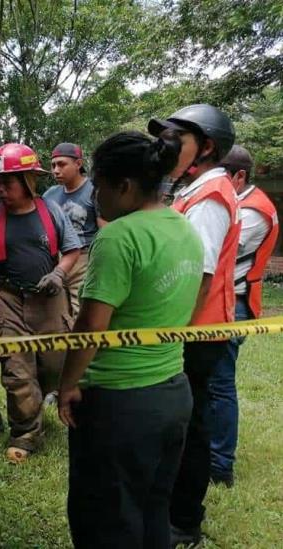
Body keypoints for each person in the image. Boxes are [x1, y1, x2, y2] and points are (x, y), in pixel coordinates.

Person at [57, 131, 203, 548]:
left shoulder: (119, 238)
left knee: (104, 521)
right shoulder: (184, 229)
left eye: (99, 186)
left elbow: (90, 327)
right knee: (153, 508)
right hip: (173, 394)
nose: (94, 197)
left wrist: (67, 386)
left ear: (123, 186)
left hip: (119, 405)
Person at [147, 103, 240, 547]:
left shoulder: (211, 195)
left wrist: (174, 330)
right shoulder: (193, 190)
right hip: (189, 326)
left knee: (191, 425)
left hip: (196, 329)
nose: (166, 147)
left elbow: (200, 275)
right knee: (181, 421)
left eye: (175, 140)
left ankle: (184, 518)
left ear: (205, 147)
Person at [0, 143, 80, 463]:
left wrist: (59, 274)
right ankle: (25, 432)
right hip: (9, 299)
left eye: (8, 181)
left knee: (54, 365)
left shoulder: (52, 212)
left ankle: (40, 402)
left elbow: (72, 251)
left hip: (50, 300)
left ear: (29, 180)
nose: (1, 188)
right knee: (17, 369)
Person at [208, 145, 279, 487]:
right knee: (206, 380)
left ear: (239, 176)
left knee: (220, 385)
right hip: (218, 300)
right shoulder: (235, 202)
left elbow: (216, 249)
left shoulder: (254, 211)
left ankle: (220, 465)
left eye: (220, 176)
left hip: (233, 305)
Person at [43, 143, 105, 319]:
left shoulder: (95, 191)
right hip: (57, 259)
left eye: (62, 164)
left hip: (85, 259)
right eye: (53, 165)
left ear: (78, 164)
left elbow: (106, 232)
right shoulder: (49, 195)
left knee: (82, 315)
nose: (56, 170)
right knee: (57, 316)